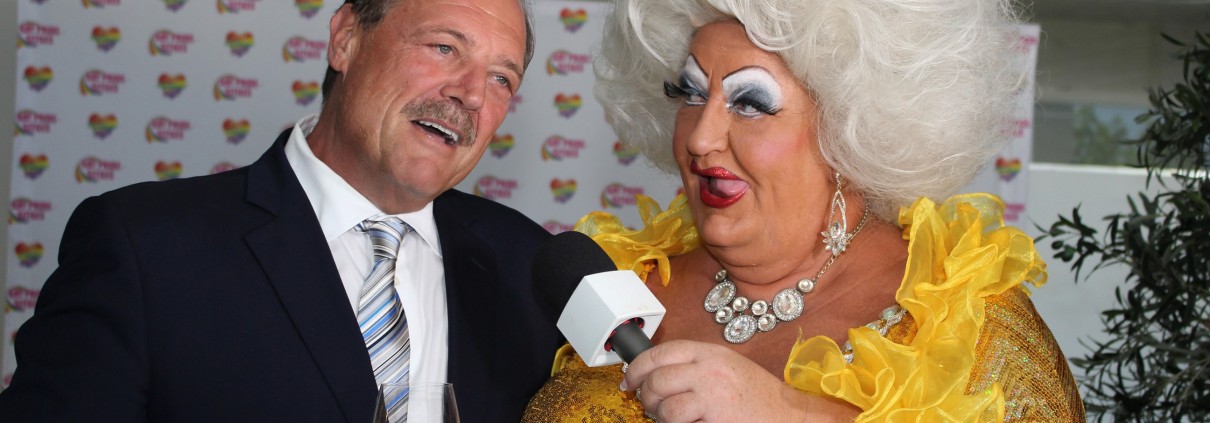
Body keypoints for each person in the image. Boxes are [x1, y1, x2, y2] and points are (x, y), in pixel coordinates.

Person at [523, 0, 1085, 421]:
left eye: (750, 103)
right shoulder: (622, 281)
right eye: (691, 94)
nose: (700, 137)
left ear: (848, 131)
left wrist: (789, 413)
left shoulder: (967, 324)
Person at [0, 0, 561, 421]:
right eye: (444, 48)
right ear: (346, 39)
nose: (471, 94)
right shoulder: (145, 248)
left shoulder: (532, 267)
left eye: (501, 78)